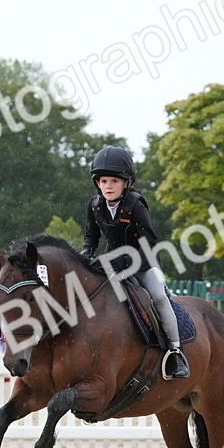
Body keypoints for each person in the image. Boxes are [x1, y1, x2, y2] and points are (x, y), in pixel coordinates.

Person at [80, 145, 189, 380]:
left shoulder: (136, 205)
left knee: (158, 297)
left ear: (126, 183)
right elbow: (91, 234)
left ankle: (175, 352)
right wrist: (86, 252)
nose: (108, 186)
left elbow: (148, 242)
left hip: (143, 261)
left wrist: (126, 262)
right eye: (103, 181)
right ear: (97, 183)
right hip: (111, 260)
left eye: (114, 181)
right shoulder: (95, 205)